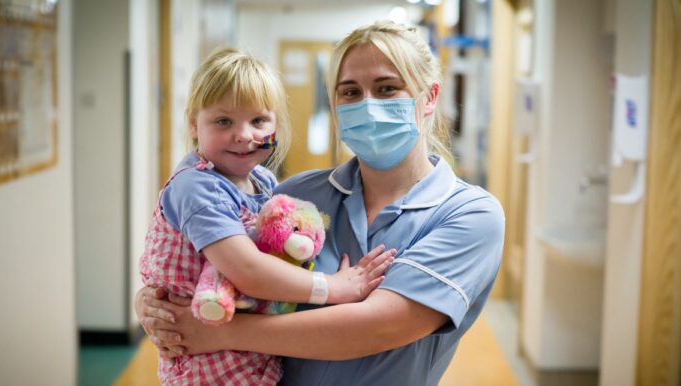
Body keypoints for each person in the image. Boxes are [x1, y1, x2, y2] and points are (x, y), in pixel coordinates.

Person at [138, 21, 505, 386]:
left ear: (430, 98)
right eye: (350, 93)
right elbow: (226, 264)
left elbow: (377, 328)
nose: (367, 105)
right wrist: (154, 302)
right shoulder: (294, 196)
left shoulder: (469, 214)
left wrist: (221, 334)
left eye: (387, 88)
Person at [139, 47, 394, 385]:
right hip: (204, 363)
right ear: (193, 124)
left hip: (249, 356)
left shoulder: (263, 182)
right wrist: (331, 288)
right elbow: (247, 271)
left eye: (259, 121)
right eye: (223, 121)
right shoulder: (196, 186)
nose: (244, 135)